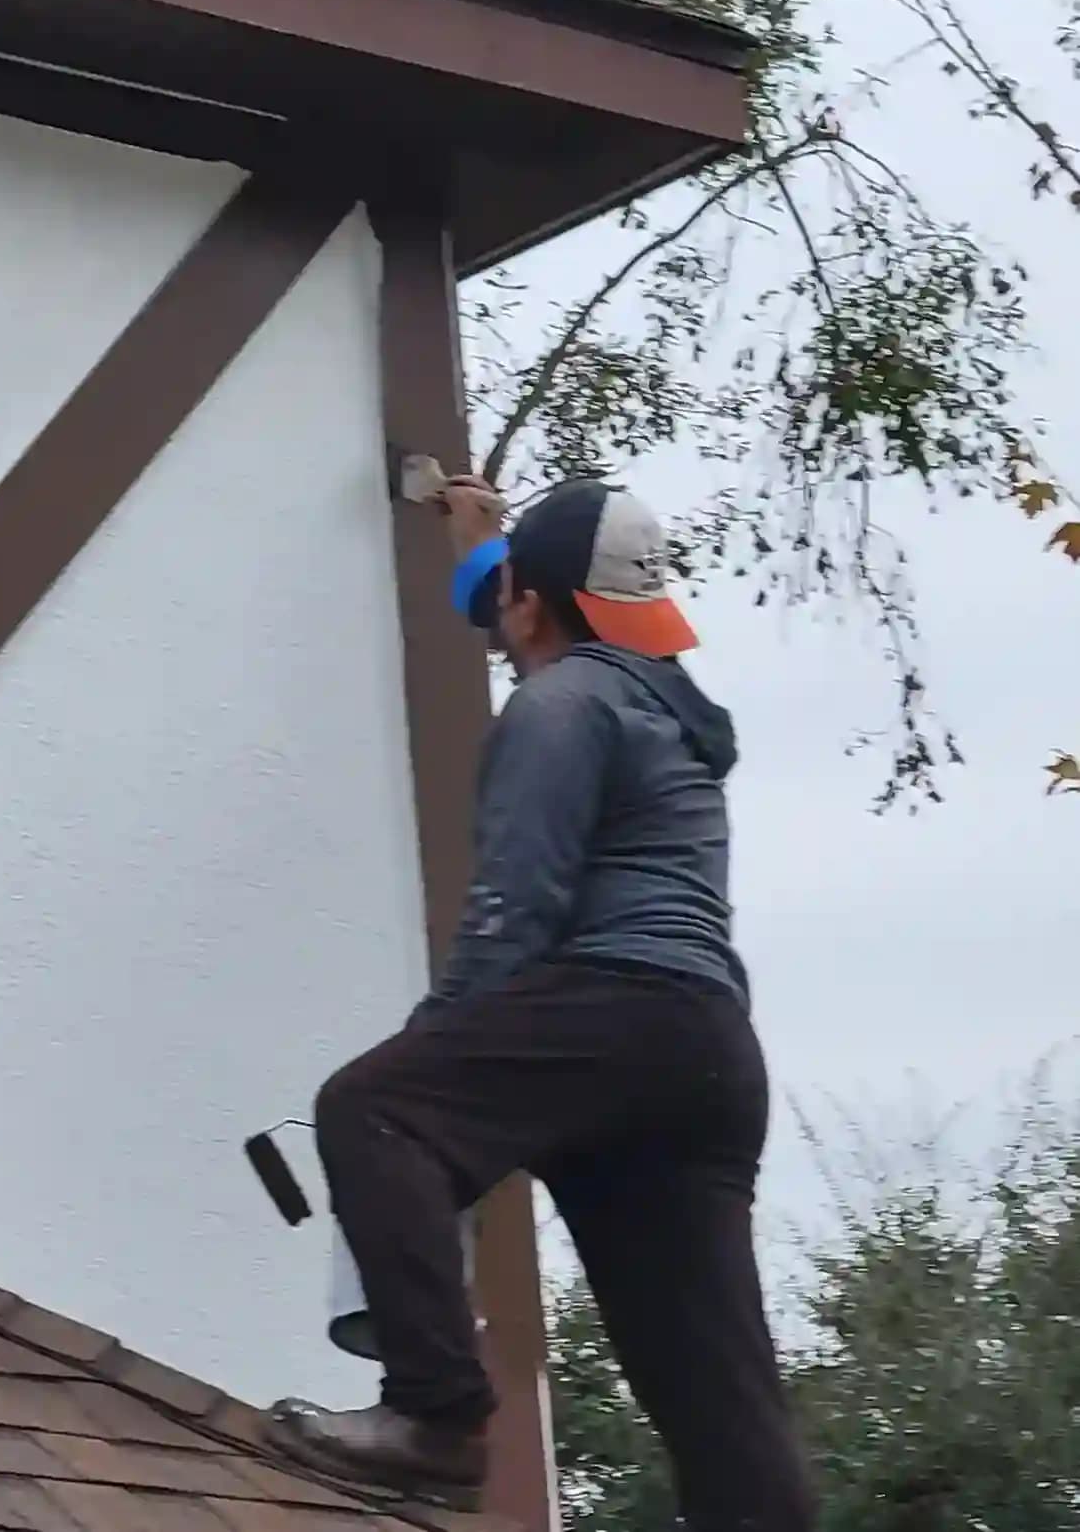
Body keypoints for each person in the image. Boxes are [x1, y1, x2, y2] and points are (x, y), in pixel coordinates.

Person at [265, 475, 814, 1528]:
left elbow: (514, 904)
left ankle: (434, 1419)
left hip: (613, 1008)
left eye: (506, 596)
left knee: (371, 1109)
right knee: (712, 1393)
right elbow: (538, 614)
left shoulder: (557, 704)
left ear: (528, 601)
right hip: (700, 1060)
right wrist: (477, 550)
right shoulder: (655, 703)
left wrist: (431, 1061)